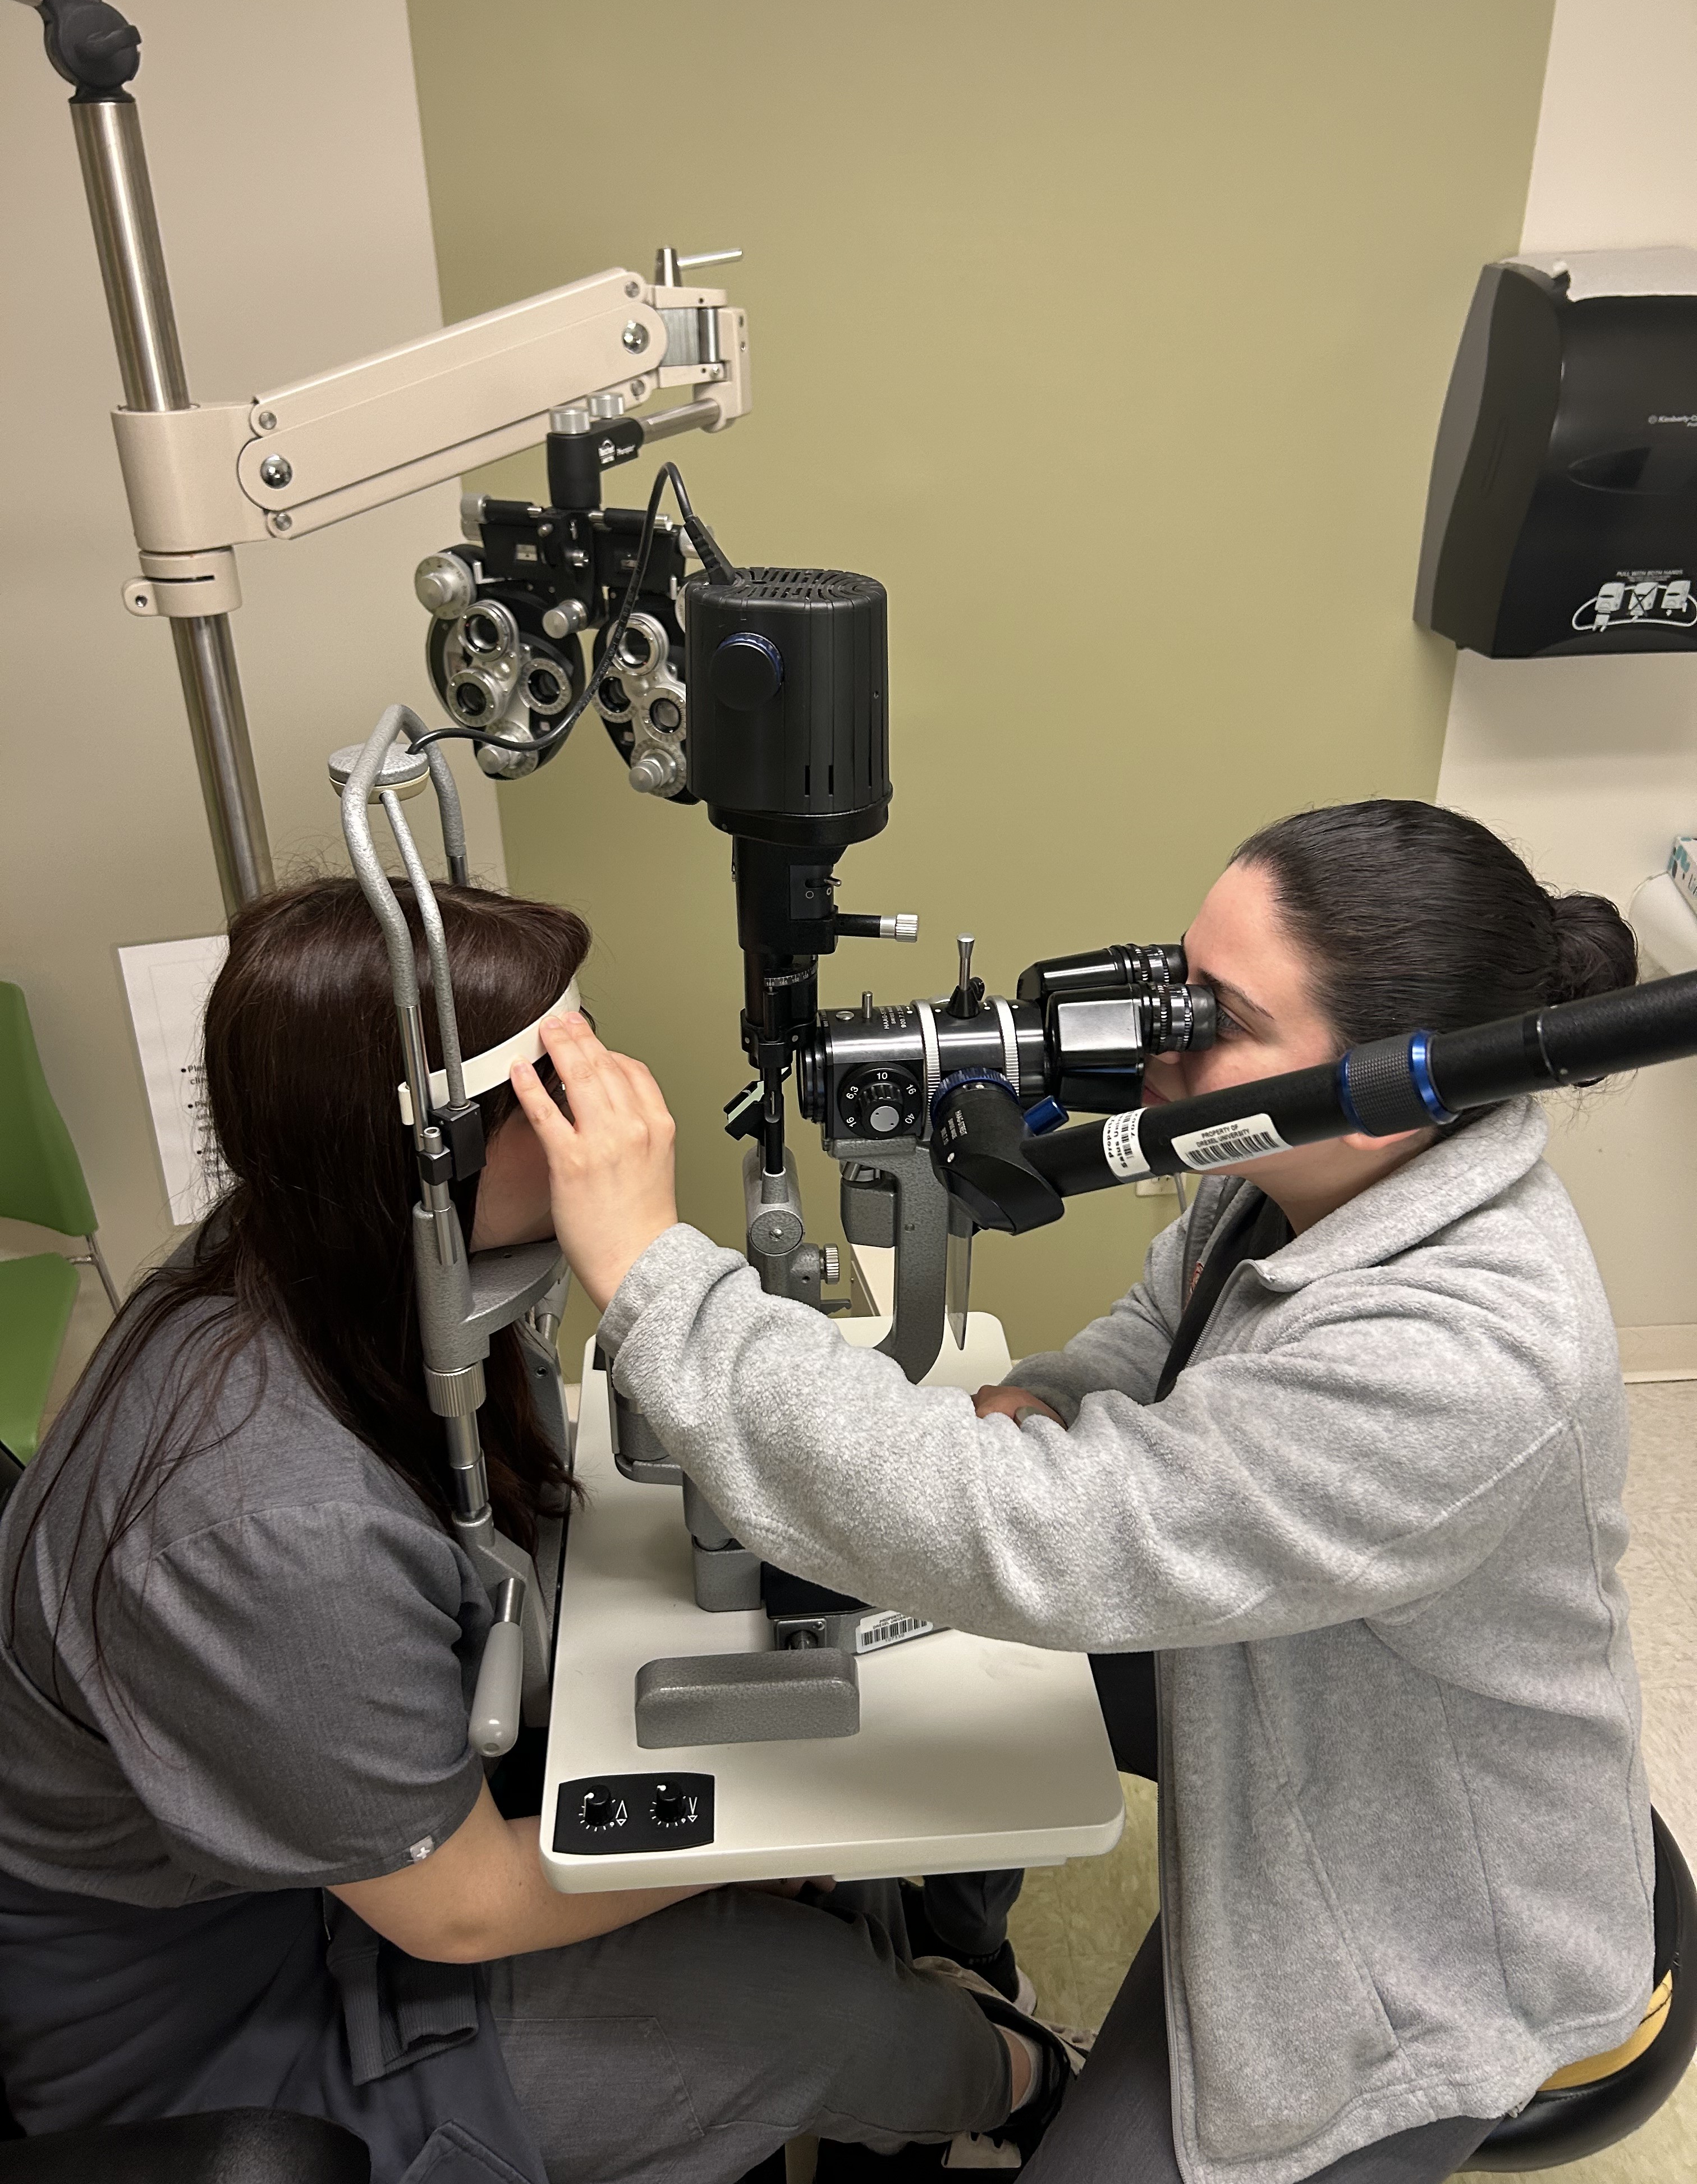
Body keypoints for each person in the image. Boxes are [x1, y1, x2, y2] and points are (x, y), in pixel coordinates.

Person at [506, 799, 1657, 2184]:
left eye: (1212, 1016)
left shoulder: (1465, 1357)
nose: (1162, 1041)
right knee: (890, 1623)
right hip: (1291, 1660)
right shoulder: (1301, 1174)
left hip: (1410, 1904)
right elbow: (1166, 1331)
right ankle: (953, 1926)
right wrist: (1050, 1391)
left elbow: (1039, 1538)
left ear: (1393, 1083)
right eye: (1174, 977)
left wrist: (650, 1276)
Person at [0, 879, 1070, 2184]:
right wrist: (793, 1823)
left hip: (325, 1852)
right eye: (560, 1080)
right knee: (818, 2003)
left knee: (815, 1887)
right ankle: (1026, 2089)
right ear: (422, 1153)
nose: (618, 1101)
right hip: (229, 2006)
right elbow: (451, 1912)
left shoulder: (341, 1258)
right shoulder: (269, 1522)